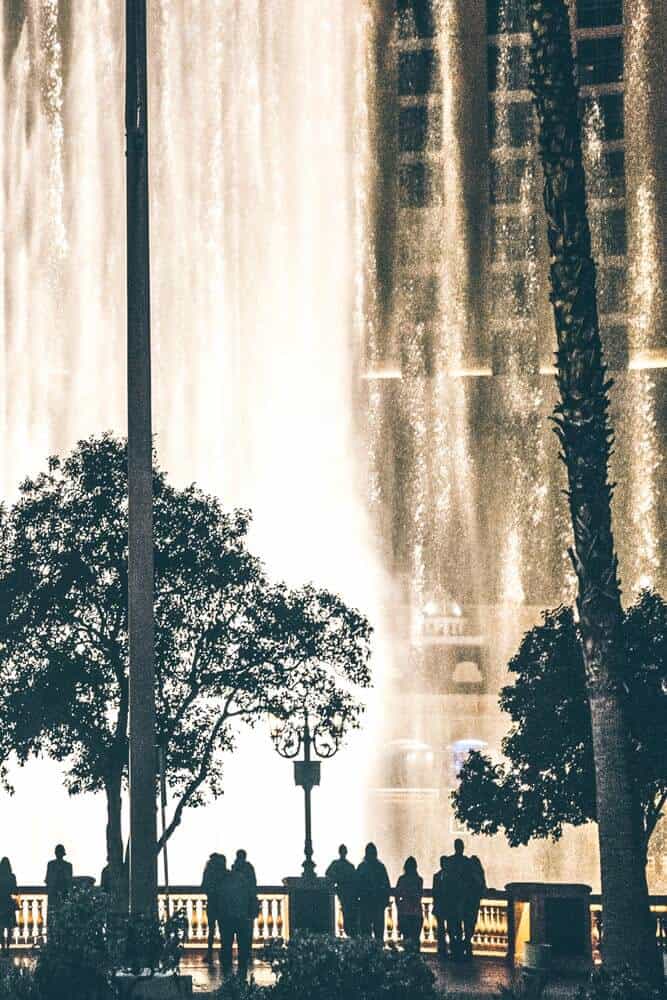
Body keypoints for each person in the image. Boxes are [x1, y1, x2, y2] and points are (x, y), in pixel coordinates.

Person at [442, 838, 477, 961]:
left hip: (452, 899)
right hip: (465, 899)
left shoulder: (450, 862)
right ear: (462, 848)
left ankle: (455, 950)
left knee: (453, 927)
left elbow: (446, 882)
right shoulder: (467, 862)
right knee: (466, 927)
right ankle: (465, 949)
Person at [219, 864, 255, 979]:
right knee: (242, 946)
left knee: (226, 945)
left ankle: (227, 972)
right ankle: (242, 973)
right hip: (241, 918)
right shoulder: (245, 881)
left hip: (227, 918)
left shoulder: (225, 881)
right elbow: (251, 898)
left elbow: (221, 899)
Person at [356, 843, 390, 941]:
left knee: (365, 933)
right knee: (378, 933)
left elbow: (357, 886)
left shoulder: (362, 867)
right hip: (377, 904)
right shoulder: (380, 867)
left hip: (365, 903)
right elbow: (386, 886)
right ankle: (378, 952)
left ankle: (367, 953)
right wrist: (385, 902)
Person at [325, 844, 358, 936]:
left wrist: (336, 880)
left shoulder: (336, 864)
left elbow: (328, 874)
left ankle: (349, 932)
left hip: (343, 893)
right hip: (350, 895)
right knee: (349, 916)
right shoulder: (350, 866)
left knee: (347, 915)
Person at [201, 853, 228, 965]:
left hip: (212, 903)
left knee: (211, 930)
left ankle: (210, 952)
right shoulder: (225, 873)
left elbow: (203, 887)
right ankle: (224, 953)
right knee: (224, 931)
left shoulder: (209, 873)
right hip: (223, 905)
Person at [395, 856, 423, 952]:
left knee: (407, 939)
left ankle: (408, 960)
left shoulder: (402, 879)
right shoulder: (419, 880)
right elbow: (419, 895)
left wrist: (399, 906)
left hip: (405, 912)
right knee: (415, 939)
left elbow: (397, 895)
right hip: (416, 913)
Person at [463, 854, 486, 960]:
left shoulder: (472, 875)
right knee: (470, 924)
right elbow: (482, 888)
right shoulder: (475, 875)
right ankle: (467, 944)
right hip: (472, 903)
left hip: (469, 903)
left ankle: (466, 944)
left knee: (469, 924)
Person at [45, 845, 72, 919]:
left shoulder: (51, 864)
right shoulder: (68, 865)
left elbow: (47, 880)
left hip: (61, 894)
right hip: (57, 894)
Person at [431, 855, 449, 957]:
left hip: (447, 906)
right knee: (441, 929)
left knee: (450, 929)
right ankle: (442, 949)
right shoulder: (436, 876)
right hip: (440, 906)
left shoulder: (450, 876)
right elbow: (434, 891)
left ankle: (447, 948)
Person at [0, 858, 17, 953]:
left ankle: (3, 947)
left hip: (0, 904)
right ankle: (8, 947)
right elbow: (14, 890)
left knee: (1, 928)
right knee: (10, 927)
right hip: (9, 904)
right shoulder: (12, 876)